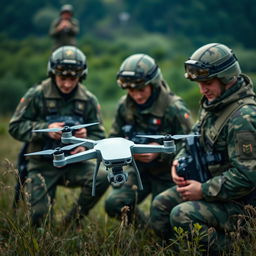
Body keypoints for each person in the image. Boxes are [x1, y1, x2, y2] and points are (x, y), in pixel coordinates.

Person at [150, 43, 256, 253]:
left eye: (207, 82)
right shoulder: (215, 104)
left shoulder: (243, 118)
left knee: (182, 214)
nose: (202, 89)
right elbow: (194, 138)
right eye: (200, 83)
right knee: (160, 205)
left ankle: (238, 248)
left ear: (227, 78)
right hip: (216, 190)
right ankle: (181, 250)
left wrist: (203, 191)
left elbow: (247, 176)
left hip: (243, 204)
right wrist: (178, 160)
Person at [9, 46, 109, 226]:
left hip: (74, 164)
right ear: (52, 73)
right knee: (39, 218)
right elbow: (15, 127)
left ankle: (70, 223)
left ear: (81, 76)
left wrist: (85, 142)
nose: (67, 84)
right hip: (42, 164)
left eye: (73, 78)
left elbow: (99, 136)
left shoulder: (88, 100)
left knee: (102, 176)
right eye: (63, 78)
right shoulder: (37, 94)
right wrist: (46, 129)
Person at [104, 53, 193, 225]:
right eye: (131, 90)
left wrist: (159, 151)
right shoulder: (125, 105)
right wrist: (127, 152)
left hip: (167, 173)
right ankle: (144, 229)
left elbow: (189, 145)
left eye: (141, 89)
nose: (136, 96)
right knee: (114, 204)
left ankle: (155, 230)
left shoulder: (174, 108)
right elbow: (113, 138)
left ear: (153, 84)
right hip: (138, 171)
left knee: (161, 218)